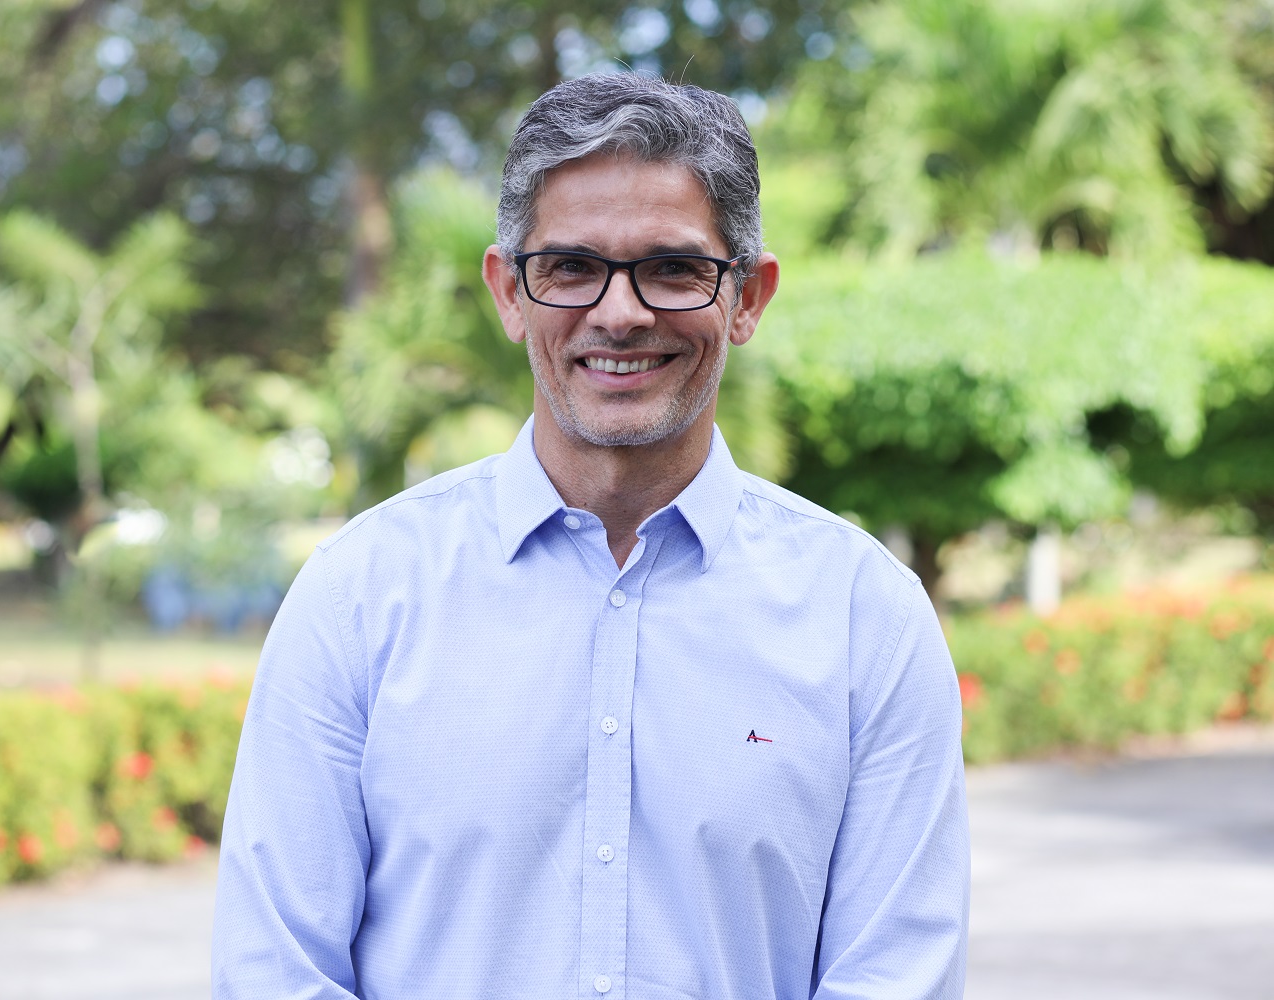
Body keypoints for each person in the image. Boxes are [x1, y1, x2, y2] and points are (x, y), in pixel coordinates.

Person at [212, 73, 969, 999]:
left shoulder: (866, 619)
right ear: (509, 292)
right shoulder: (359, 596)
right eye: (571, 266)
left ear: (748, 298)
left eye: (673, 267)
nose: (620, 313)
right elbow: (275, 972)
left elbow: (895, 977)